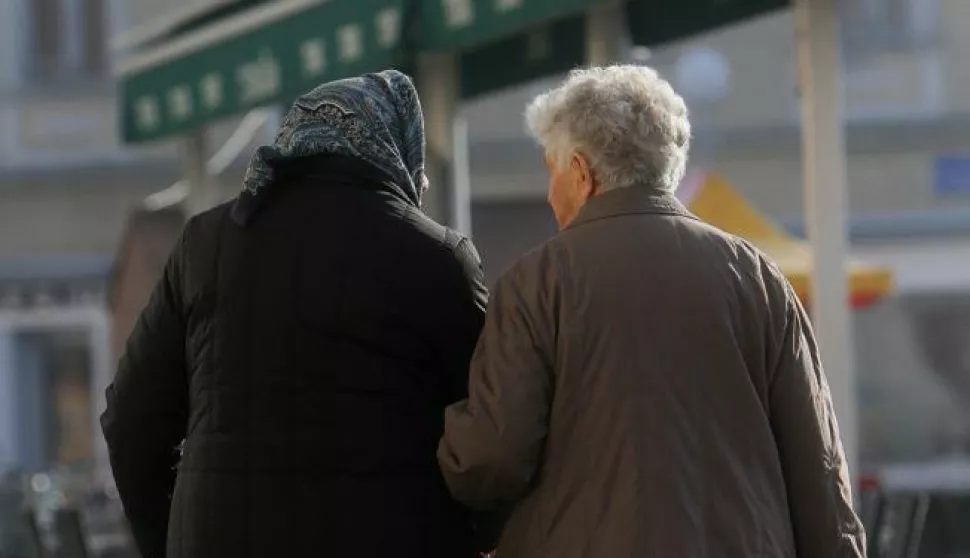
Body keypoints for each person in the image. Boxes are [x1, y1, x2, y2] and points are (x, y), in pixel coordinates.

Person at [438, 65, 866, 558]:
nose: (551, 191)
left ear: (581, 171)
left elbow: (494, 455)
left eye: (551, 170)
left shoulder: (537, 283)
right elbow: (818, 465)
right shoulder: (757, 278)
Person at [102, 70, 488, 558]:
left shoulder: (205, 245)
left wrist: (172, 538)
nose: (427, 179)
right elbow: (490, 431)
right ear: (397, 146)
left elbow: (130, 424)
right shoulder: (435, 256)